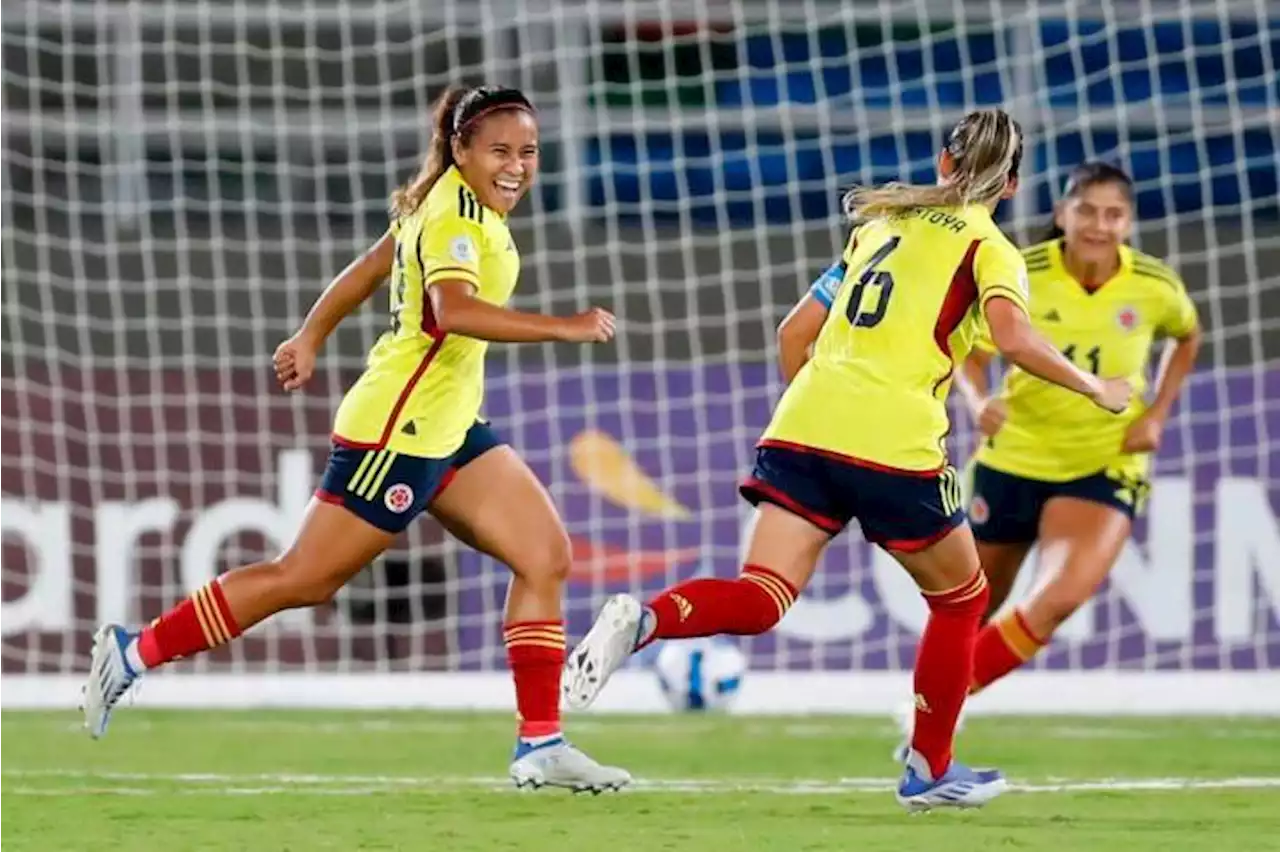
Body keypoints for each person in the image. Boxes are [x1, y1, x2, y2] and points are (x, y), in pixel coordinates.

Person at [562, 109, 1132, 812]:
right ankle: (929, 769)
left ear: (943, 164)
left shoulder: (879, 225)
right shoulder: (991, 248)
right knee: (962, 599)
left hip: (803, 428)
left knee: (763, 594)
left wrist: (815, 417)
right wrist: (1096, 386)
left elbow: (793, 331)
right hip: (893, 444)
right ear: (1012, 185)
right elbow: (1012, 338)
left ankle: (645, 621)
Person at [81, 85, 631, 793]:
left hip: (449, 427)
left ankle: (541, 743)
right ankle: (132, 654)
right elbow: (453, 309)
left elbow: (371, 266)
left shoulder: (447, 205)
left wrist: (311, 333)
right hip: (397, 432)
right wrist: (565, 326)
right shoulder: (452, 219)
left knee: (544, 554)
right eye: (499, 151)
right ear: (461, 150)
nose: (517, 166)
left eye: (527, 151)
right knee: (302, 578)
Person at [955, 162, 1202, 695]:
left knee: (1056, 599)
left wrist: (1156, 412)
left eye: (1114, 214)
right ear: (1061, 213)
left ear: (1129, 223)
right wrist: (978, 402)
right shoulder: (1020, 273)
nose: (1099, 224)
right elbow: (968, 354)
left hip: (1103, 459)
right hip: (1013, 455)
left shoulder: (1154, 286)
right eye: (1086, 210)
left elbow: (1187, 336)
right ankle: (935, 720)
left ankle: (930, 715)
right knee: (970, 607)